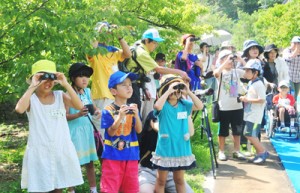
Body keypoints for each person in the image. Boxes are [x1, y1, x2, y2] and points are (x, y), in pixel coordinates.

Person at [15, 60, 84, 193]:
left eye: (51, 78)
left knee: (58, 186)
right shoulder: (31, 99)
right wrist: (32, 86)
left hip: (60, 148)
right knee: (41, 186)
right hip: (40, 151)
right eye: (43, 78)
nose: (48, 82)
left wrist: (65, 84)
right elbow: (19, 109)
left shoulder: (60, 96)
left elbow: (79, 106)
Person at [151, 75, 203, 192]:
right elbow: (157, 106)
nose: (176, 92)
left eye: (178, 89)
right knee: (161, 181)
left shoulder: (185, 105)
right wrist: (169, 90)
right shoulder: (163, 105)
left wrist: (188, 92)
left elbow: (200, 106)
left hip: (181, 147)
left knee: (179, 180)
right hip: (166, 147)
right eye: (174, 89)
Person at [125, 28, 190, 110]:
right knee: (133, 113)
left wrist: (144, 88)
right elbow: (159, 69)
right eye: (154, 43)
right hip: (131, 86)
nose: (156, 46)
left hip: (134, 85)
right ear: (146, 40)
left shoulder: (140, 49)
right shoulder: (141, 53)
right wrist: (180, 72)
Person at [86, 21, 132, 136]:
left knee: (117, 128)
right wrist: (98, 30)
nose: (106, 35)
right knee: (101, 132)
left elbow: (128, 54)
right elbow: (92, 49)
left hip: (116, 95)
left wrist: (119, 36)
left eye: (108, 33)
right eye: (104, 33)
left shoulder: (113, 51)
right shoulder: (95, 53)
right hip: (101, 96)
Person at [100, 71, 143, 193]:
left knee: (131, 188)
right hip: (112, 155)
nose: (129, 87)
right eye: (124, 85)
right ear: (114, 91)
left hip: (131, 155)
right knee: (110, 188)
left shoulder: (133, 108)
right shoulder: (108, 110)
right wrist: (119, 117)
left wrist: (136, 115)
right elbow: (111, 132)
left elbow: (139, 130)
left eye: (130, 84)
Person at [66, 62, 101, 193]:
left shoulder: (88, 91)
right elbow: (64, 116)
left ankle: (93, 189)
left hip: (88, 131)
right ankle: (71, 190)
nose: (85, 79)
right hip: (74, 133)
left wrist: (97, 111)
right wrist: (78, 114)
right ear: (73, 78)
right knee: (73, 163)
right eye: (81, 76)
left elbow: (92, 106)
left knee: (90, 162)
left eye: (86, 76)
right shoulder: (67, 93)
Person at [139, 111, 194, 193]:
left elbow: (190, 132)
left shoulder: (182, 114)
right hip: (149, 170)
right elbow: (161, 130)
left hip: (172, 173)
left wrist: (187, 114)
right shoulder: (154, 114)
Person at [213, 49, 247, 161]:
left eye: (231, 58)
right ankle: (221, 151)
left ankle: (236, 151)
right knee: (222, 131)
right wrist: (224, 62)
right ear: (222, 59)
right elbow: (216, 73)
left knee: (237, 130)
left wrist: (240, 59)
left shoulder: (237, 71)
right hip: (224, 106)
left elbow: (249, 73)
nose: (230, 61)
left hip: (237, 105)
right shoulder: (221, 71)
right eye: (227, 58)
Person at [238, 59, 269, 164]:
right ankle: (260, 153)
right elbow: (251, 95)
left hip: (255, 116)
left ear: (255, 72)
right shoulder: (252, 82)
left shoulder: (259, 84)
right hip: (249, 114)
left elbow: (262, 99)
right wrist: (245, 97)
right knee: (249, 134)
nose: (245, 73)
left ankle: (262, 152)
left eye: (248, 71)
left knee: (250, 134)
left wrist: (247, 99)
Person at [141, 53, 166, 124]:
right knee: (145, 118)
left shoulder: (156, 71)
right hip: (146, 95)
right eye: (162, 62)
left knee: (148, 117)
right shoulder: (151, 66)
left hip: (152, 94)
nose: (162, 64)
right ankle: (141, 134)